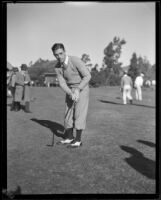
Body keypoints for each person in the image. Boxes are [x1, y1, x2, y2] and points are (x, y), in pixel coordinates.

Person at [51, 43, 91, 148]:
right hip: (70, 90)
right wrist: (70, 92)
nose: (59, 56)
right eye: (56, 55)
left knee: (79, 113)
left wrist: (78, 89)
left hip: (82, 88)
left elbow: (87, 76)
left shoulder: (75, 60)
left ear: (64, 52)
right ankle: (69, 137)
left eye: (60, 53)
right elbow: (62, 83)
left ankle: (78, 140)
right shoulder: (57, 67)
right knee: (68, 114)